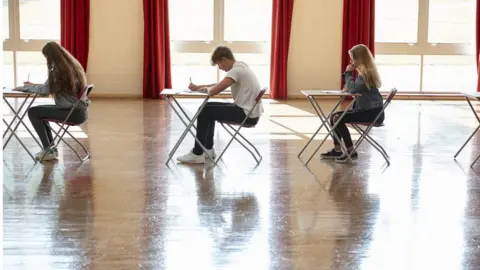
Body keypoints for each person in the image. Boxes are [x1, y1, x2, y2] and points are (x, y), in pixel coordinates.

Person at [177, 45, 264, 164]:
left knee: (205, 110)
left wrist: (206, 89)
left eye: (219, 64)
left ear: (224, 59)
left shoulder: (236, 71)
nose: (220, 68)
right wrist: (199, 87)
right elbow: (220, 84)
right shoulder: (241, 66)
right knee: (208, 109)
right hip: (250, 113)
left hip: (245, 115)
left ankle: (197, 153)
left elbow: (214, 90)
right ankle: (208, 150)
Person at [14, 41, 90, 161]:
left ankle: (48, 149)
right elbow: (49, 87)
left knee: (33, 112)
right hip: (79, 112)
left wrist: (23, 88)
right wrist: (34, 86)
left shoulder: (59, 70)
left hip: (71, 112)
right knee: (40, 113)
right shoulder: (73, 66)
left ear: (51, 57)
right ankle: (50, 149)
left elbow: (44, 90)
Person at [320, 44, 384, 163]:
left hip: (372, 113)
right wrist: (348, 84)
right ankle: (337, 149)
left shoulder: (366, 74)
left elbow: (354, 90)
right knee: (334, 116)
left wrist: (348, 74)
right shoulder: (365, 72)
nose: (351, 61)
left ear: (359, 59)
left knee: (338, 118)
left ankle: (350, 151)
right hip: (367, 110)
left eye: (352, 58)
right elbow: (355, 88)